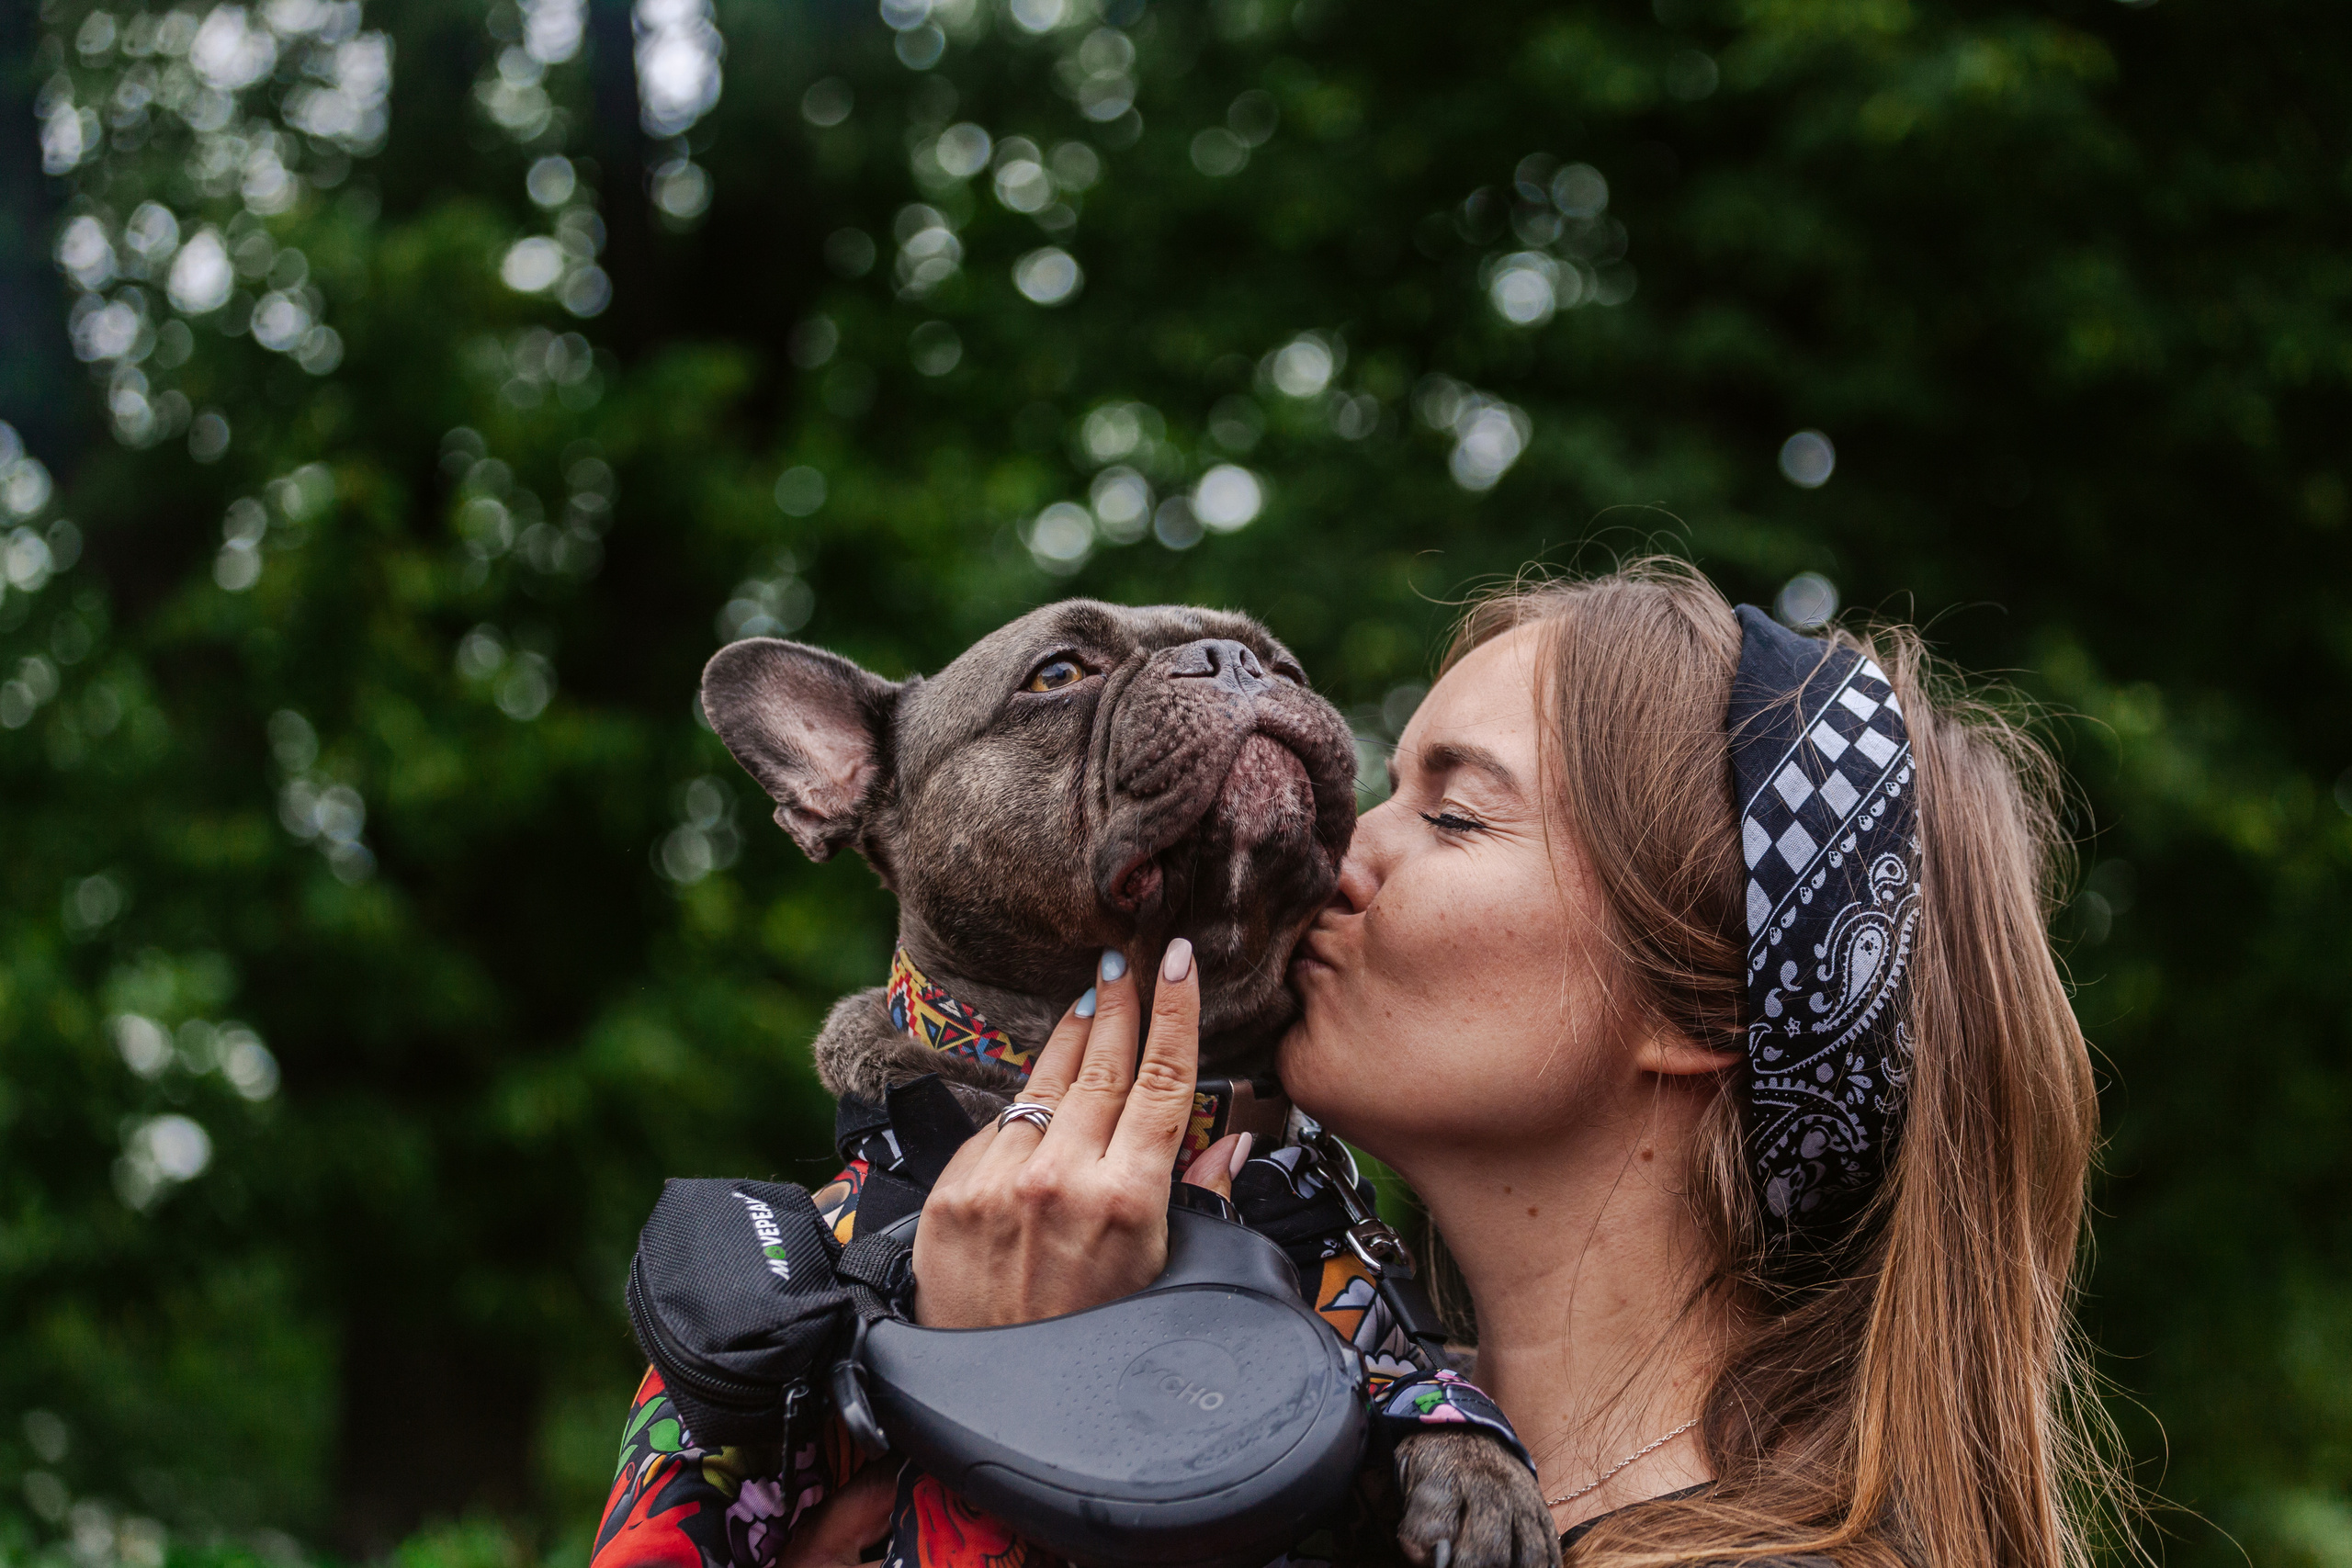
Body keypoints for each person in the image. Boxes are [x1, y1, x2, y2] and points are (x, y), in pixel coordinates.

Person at [732, 561, 2126, 1566]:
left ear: (1700, 1007)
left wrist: (1017, 1416)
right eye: (1382, 789)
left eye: (1452, 817)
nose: (1347, 854)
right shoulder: (1378, 1452)